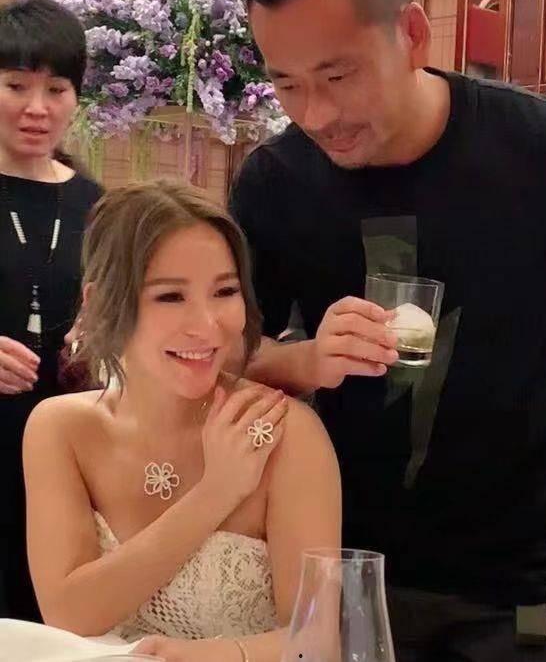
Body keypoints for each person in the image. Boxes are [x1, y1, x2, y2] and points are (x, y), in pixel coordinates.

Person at [229, 0, 546, 662]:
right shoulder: (275, 183)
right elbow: (224, 358)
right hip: (342, 567)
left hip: (519, 583)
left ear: (413, 34)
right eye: (287, 84)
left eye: (338, 76)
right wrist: (307, 360)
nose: (315, 115)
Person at [19, 179, 340, 662]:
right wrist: (215, 494)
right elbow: (69, 614)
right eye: (171, 297)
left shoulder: (287, 433)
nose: (207, 325)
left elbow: (317, 641)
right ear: (101, 302)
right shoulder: (59, 429)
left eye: (225, 291)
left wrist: (204, 656)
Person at [0, 0, 103, 622]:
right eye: (16, 86)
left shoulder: (98, 204)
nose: (37, 108)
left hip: (67, 455)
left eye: (56, 89)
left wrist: (104, 337)